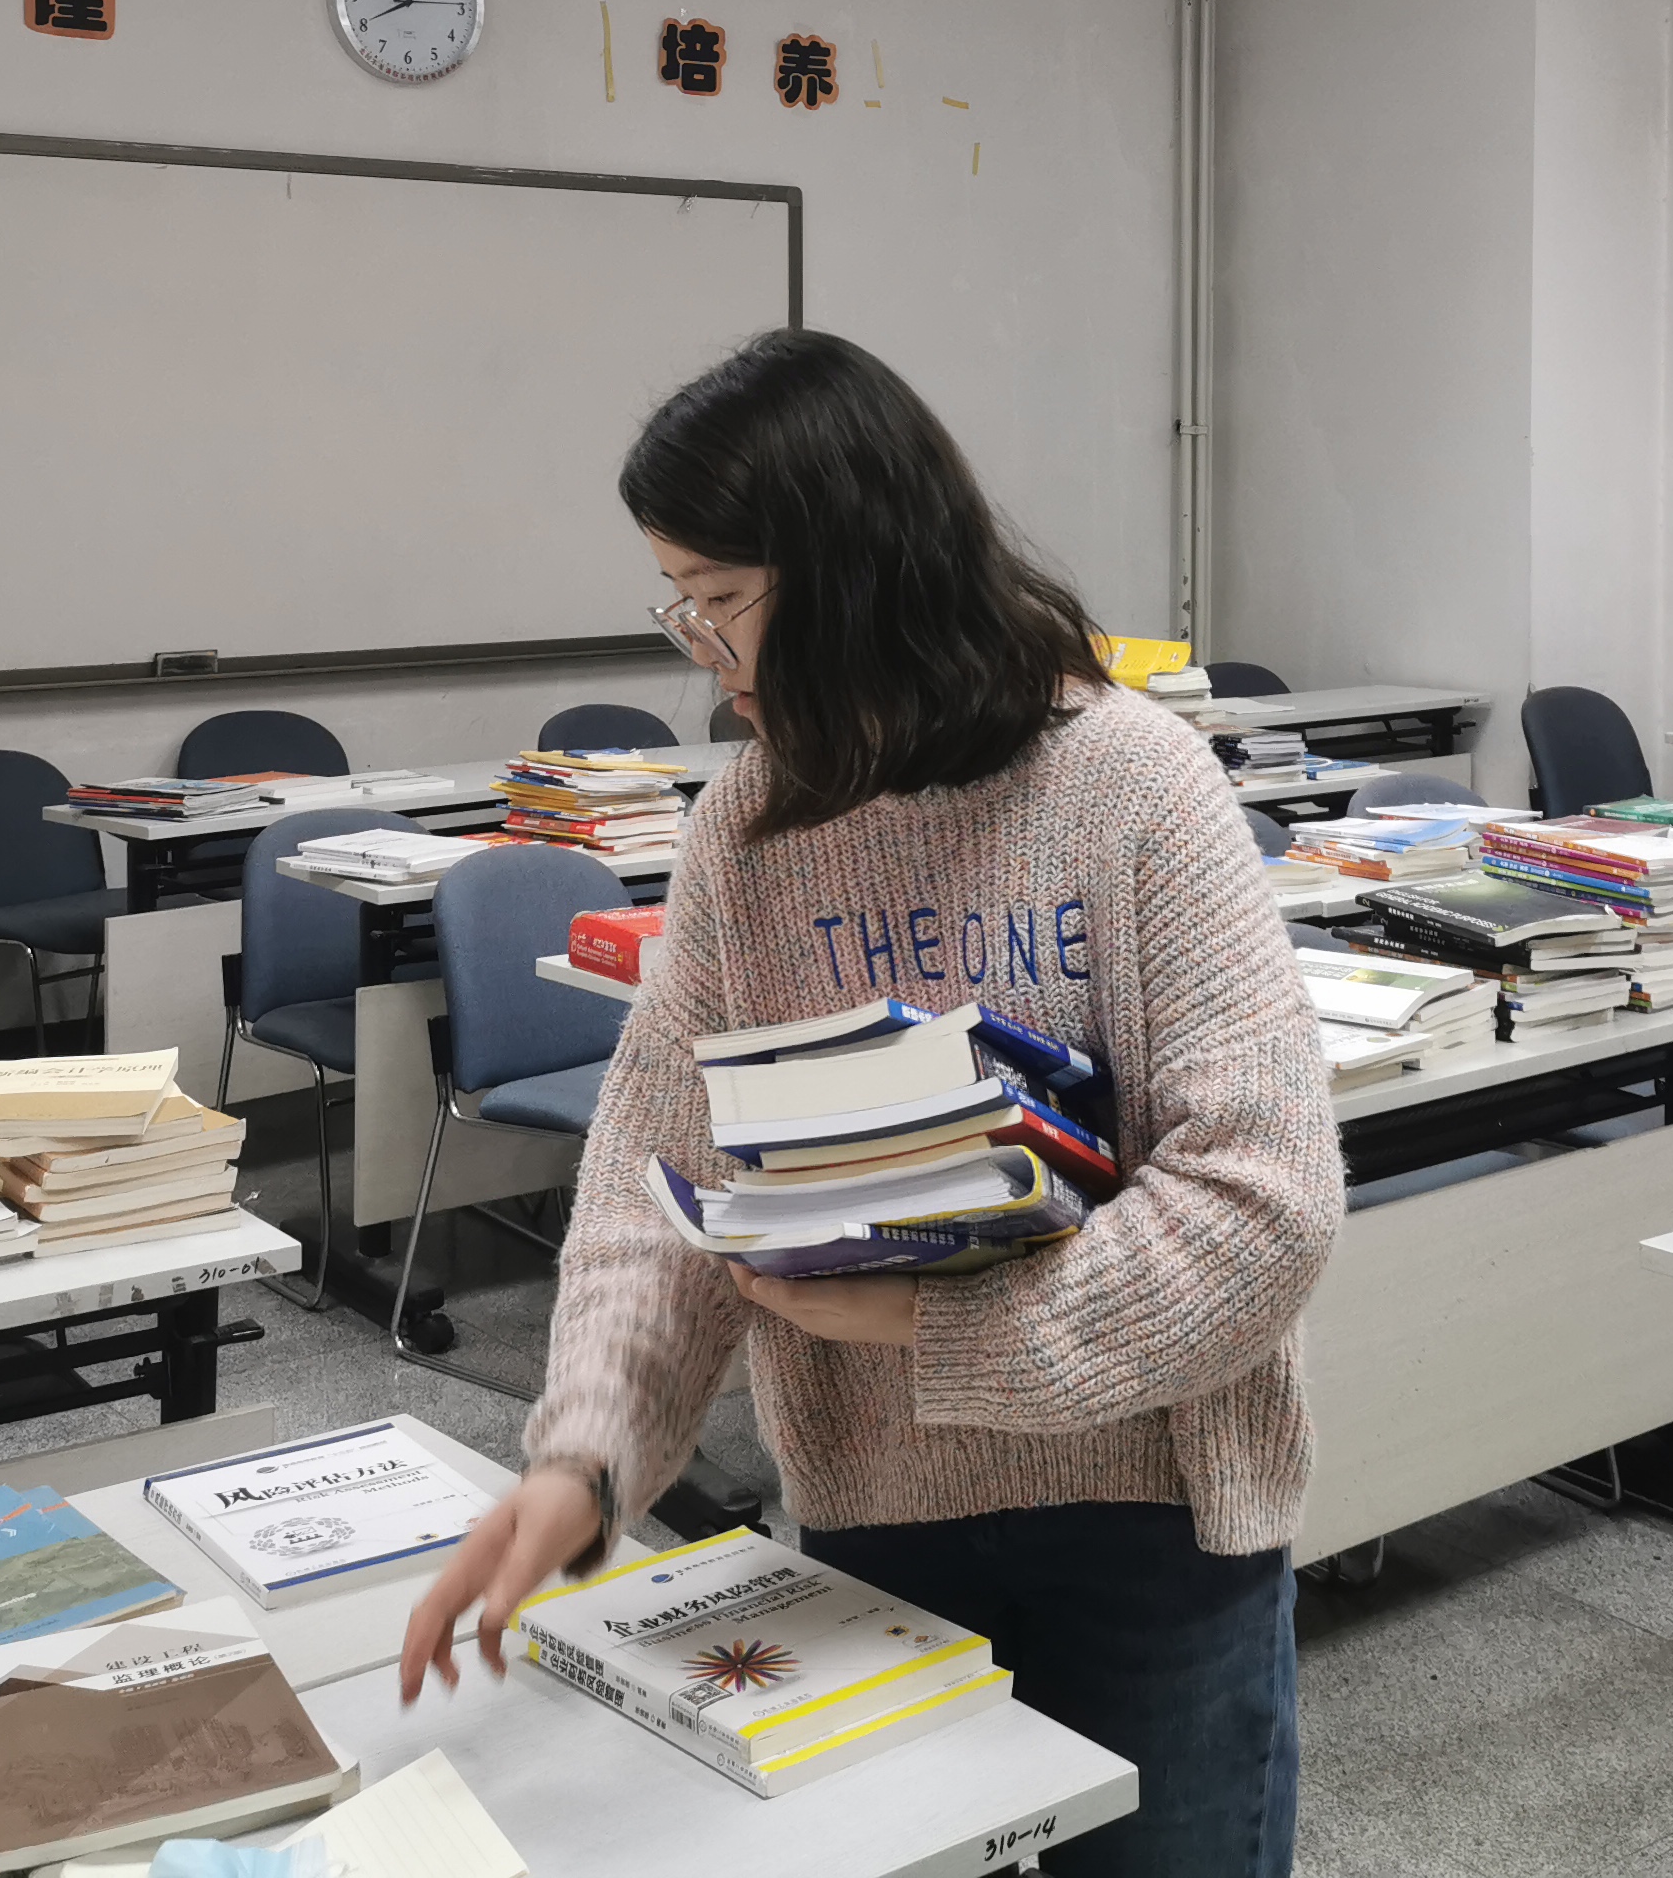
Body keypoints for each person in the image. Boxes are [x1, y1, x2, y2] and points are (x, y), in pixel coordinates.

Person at [399, 331, 1341, 1877]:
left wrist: (935, 1328)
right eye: (678, 602)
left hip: (1151, 1531)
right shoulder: (750, 833)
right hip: (873, 1523)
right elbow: (658, 1189)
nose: (702, 650)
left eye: (719, 600)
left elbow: (1264, 1205)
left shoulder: (1133, 786)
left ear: (852, 573)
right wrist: (584, 1461)